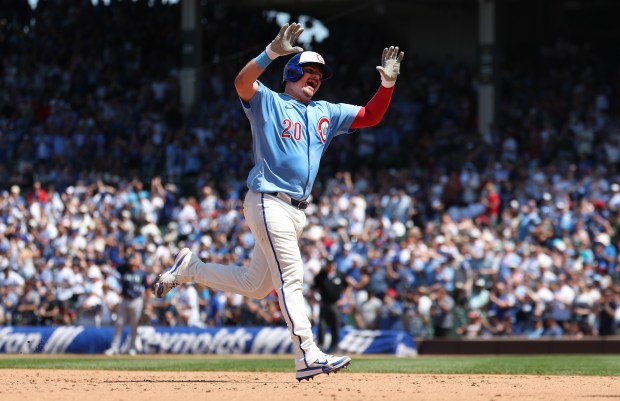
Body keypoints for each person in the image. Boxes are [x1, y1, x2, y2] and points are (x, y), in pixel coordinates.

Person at [153, 22, 404, 381]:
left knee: (256, 286)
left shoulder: (326, 113)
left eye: (319, 74)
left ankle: (191, 269)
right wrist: (270, 52)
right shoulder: (269, 101)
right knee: (292, 276)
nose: (315, 78)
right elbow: (241, 83)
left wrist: (387, 85)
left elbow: (371, 115)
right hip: (268, 200)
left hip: (295, 211)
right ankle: (307, 355)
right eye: (309, 71)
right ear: (291, 72)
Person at [105, 252, 150, 356]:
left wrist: (147, 302)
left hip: (137, 300)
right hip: (124, 299)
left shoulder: (142, 273)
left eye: (135, 259)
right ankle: (114, 348)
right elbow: (116, 267)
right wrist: (128, 259)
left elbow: (147, 288)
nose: (132, 260)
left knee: (134, 326)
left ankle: (132, 348)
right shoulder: (124, 269)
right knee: (119, 324)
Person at [313, 256, 348, 353]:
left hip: (335, 304)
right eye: (328, 264)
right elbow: (314, 288)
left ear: (334, 265)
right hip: (324, 304)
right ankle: (320, 345)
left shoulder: (340, 275)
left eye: (331, 264)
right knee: (322, 325)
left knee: (336, 325)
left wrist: (344, 298)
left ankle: (335, 346)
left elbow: (347, 286)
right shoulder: (321, 276)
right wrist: (317, 300)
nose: (330, 266)